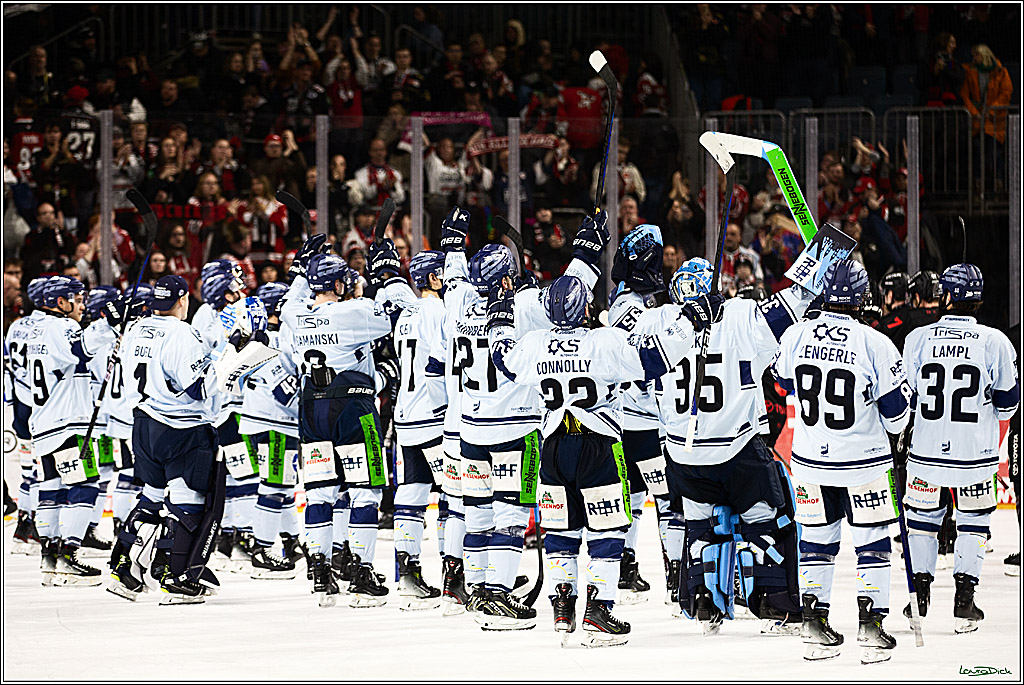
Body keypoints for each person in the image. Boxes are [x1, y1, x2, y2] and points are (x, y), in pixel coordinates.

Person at [487, 244, 715, 646]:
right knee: (607, 529)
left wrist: (500, 319)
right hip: (599, 446)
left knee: (560, 530)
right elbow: (654, 360)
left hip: (553, 448)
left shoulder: (535, 344)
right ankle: (599, 607)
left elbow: (503, 359)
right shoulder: (603, 342)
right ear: (583, 309)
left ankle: (562, 608)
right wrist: (692, 321)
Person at [657, 257, 812, 637]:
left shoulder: (659, 322)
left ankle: (703, 600)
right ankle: (772, 601)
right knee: (770, 518)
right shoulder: (741, 314)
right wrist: (821, 259)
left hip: (682, 453)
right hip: (737, 449)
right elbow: (792, 304)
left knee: (701, 526)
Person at [772, 260, 910, 664]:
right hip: (865, 465)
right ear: (862, 296)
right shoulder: (875, 342)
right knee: (872, 545)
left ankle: (814, 624)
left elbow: (781, 387)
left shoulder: (795, 334)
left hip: (810, 462)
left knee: (816, 543)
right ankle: (871, 626)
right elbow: (897, 416)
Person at [280, 235, 407, 607]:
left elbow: (294, 294)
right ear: (339, 284)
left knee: (320, 491)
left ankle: (319, 570)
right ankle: (361, 571)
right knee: (365, 491)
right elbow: (396, 314)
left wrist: (304, 265)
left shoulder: (294, 313)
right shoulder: (354, 312)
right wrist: (386, 274)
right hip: (352, 408)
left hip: (312, 409)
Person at [108, 274, 243, 603]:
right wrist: (231, 358)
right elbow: (197, 386)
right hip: (180, 427)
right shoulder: (181, 333)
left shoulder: (137, 328)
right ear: (182, 300)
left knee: (151, 498)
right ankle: (175, 576)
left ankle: (123, 570)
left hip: (143, 423)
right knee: (189, 503)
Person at [901, 264, 1019, 634]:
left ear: (947, 296)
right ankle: (964, 602)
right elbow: (1009, 404)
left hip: (925, 453)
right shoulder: (996, 341)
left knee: (922, 525)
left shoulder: (918, 338)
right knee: (973, 525)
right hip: (976, 456)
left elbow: (906, 397)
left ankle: (918, 597)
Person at [29, 276, 122, 586]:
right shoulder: (63, 327)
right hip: (67, 422)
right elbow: (81, 349)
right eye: (78, 300)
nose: (82, 306)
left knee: (52, 488)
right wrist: (109, 323)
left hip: (44, 421)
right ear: (61, 303)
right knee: (86, 485)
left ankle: (50, 557)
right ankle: (69, 555)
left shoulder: (39, 329)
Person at [391, 250, 448, 610]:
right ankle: (457, 574)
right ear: (431, 278)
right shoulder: (437, 310)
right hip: (433, 414)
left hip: (405, 415)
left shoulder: (404, 315)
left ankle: (407, 574)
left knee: (411, 494)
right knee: (454, 496)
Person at [236, 281, 303, 579]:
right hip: (274, 422)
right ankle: (262, 551)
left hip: (262, 419)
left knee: (284, 486)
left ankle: (290, 541)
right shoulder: (271, 340)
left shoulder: (261, 338)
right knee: (274, 486)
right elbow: (284, 390)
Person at [4, 278, 49, 555]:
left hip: (21, 406)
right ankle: (34, 528)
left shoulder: (16, 326)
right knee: (45, 471)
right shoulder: (53, 327)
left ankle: (24, 526)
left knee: (27, 468)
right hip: (43, 406)